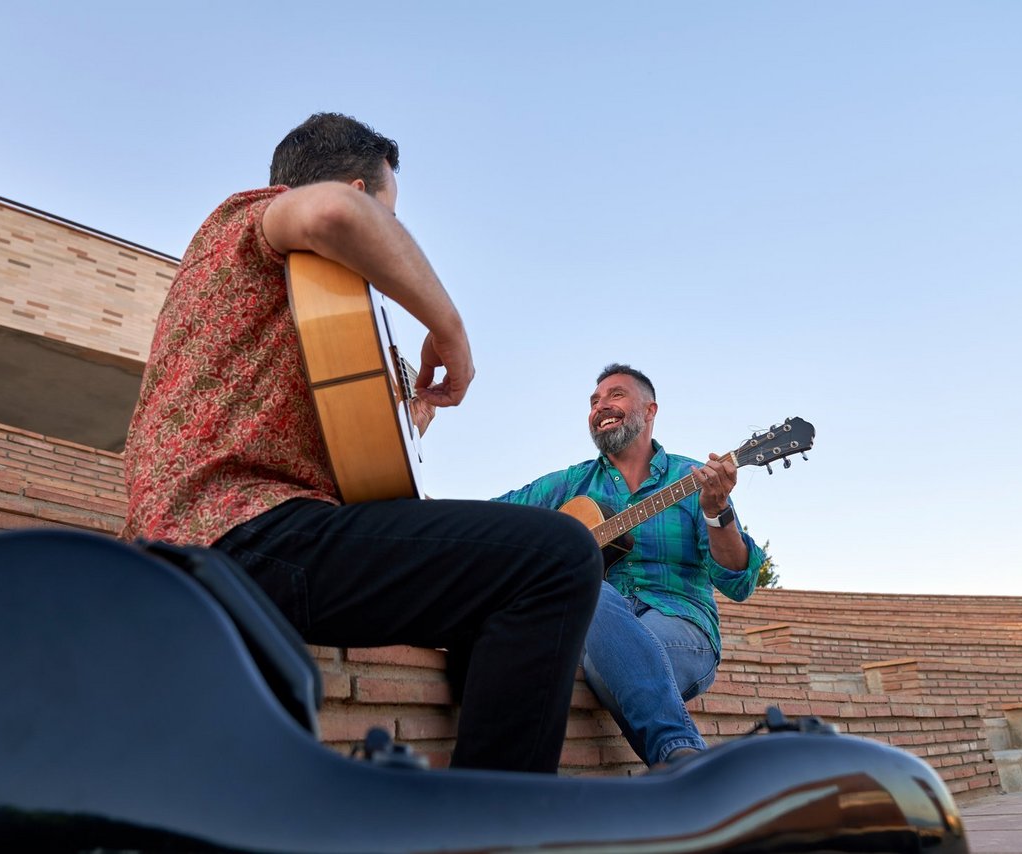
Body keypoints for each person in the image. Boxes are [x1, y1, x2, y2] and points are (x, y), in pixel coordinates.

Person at [124, 113, 603, 773]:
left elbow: (362, 461)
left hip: (228, 537)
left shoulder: (284, 293)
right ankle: (497, 825)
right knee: (559, 557)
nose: (393, 235)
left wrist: (415, 416)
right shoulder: (250, 218)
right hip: (237, 531)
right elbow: (334, 215)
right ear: (358, 187)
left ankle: (463, 787)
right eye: (392, 215)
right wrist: (449, 329)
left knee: (495, 587)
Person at [493, 364, 766, 768]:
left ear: (650, 410)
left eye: (615, 395)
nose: (601, 405)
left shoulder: (695, 479)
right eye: (594, 401)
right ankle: (680, 760)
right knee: (590, 592)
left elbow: (738, 583)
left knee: (604, 664)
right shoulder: (572, 484)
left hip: (679, 625)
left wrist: (716, 512)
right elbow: (495, 519)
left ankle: (678, 755)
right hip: (594, 625)